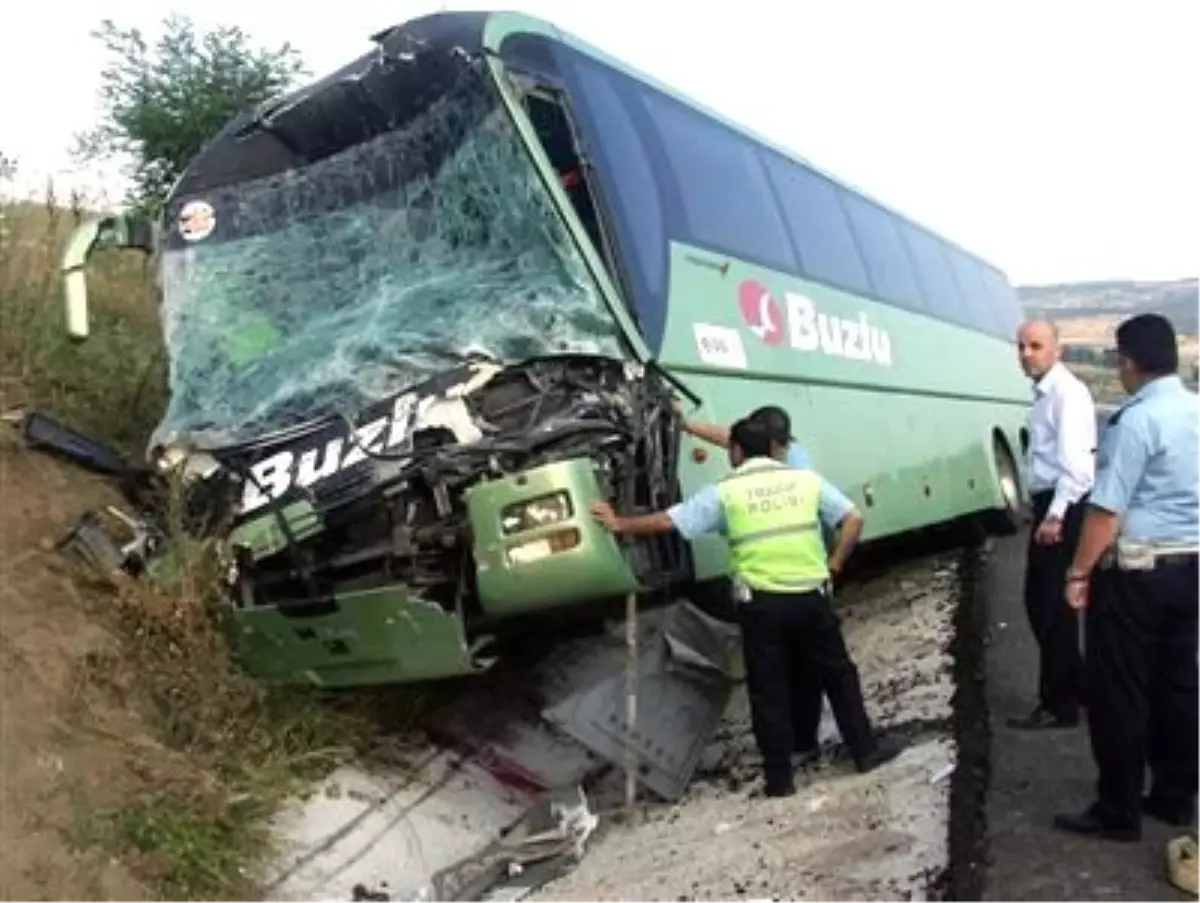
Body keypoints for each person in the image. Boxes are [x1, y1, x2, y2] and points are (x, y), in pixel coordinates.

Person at [591, 417, 904, 798]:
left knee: (768, 688)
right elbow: (853, 518)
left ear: (736, 452)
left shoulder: (726, 491)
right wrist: (835, 564)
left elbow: (668, 522)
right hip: (811, 597)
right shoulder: (803, 480)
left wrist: (618, 523)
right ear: (774, 447)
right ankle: (865, 752)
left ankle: (780, 780)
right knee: (837, 675)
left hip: (762, 605)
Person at [1052, 313, 1200, 842]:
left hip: (1137, 575)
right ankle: (1174, 797)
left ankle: (1118, 810)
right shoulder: (1196, 411)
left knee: (1119, 692)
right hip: (1192, 570)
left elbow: (1107, 511)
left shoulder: (1134, 420)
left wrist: (1077, 572)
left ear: (1127, 362)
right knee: (1179, 685)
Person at [680, 403, 824, 762]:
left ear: (768, 440)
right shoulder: (797, 456)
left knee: (776, 675)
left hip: (777, 585)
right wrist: (688, 425)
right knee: (808, 667)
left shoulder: (780, 470)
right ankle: (807, 741)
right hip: (806, 580)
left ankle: (788, 754)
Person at [1009, 319, 1097, 730]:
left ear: (1056, 349)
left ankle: (1060, 704)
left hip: (1066, 504)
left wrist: (1056, 514)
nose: (1026, 353)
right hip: (1050, 502)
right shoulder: (1044, 395)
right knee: (1041, 602)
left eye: (1036, 346)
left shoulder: (1067, 394)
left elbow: (1077, 468)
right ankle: (1078, 687)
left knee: (1050, 607)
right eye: (1022, 346)